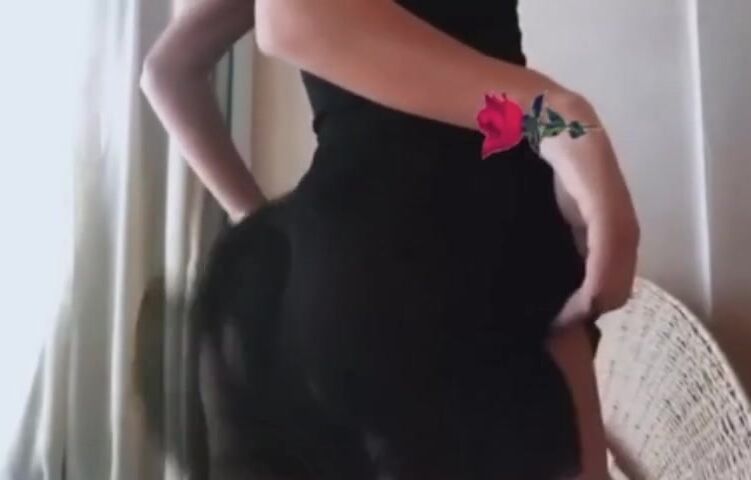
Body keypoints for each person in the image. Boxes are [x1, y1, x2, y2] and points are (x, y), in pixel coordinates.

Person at [140, 0, 639, 478]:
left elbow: (169, 74)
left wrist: (271, 233)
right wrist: (550, 118)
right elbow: (290, 16)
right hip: (465, 246)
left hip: (370, 258)